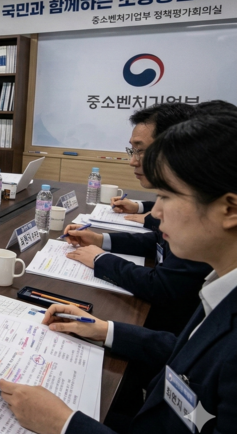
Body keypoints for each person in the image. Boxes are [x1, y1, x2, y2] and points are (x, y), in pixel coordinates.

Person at [0, 109, 237, 434]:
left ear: (229, 209)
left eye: (167, 196)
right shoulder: (222, 285)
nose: (154, 213)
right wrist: (104, 330)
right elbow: (190, 353)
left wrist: (65, 424)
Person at [62, 102, 210, 334]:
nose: (133, 161)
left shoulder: (201, 208)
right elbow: (159, 241)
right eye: (133, 150)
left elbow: (163, 286)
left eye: (141, 151)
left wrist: (102, 260)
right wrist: (100, 239)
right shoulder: (185, 194)